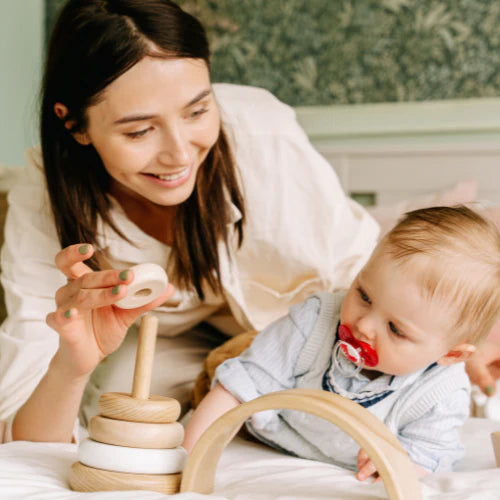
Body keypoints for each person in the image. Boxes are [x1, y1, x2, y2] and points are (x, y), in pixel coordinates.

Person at [0, 0, 379, 443]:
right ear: (74, 124)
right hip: (174, 342)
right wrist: (71, 365)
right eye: (139, 131)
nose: (180, 155)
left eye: (197, 111)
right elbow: (22, 431)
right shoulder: (47, 193)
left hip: (303, 334)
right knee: (119, 410)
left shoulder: (265, 134)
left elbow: (366, 282)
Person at [183, 206, 500, 481]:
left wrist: (399, 463)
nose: (364, 326)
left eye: (395, 329)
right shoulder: (316, 322)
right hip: (276, 433)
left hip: (349, 466)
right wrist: (188, 461)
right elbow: (238, 386)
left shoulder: (441, 392)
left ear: (452, 354)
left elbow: (430, 457)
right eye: (364, 295)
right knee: (232, 366)